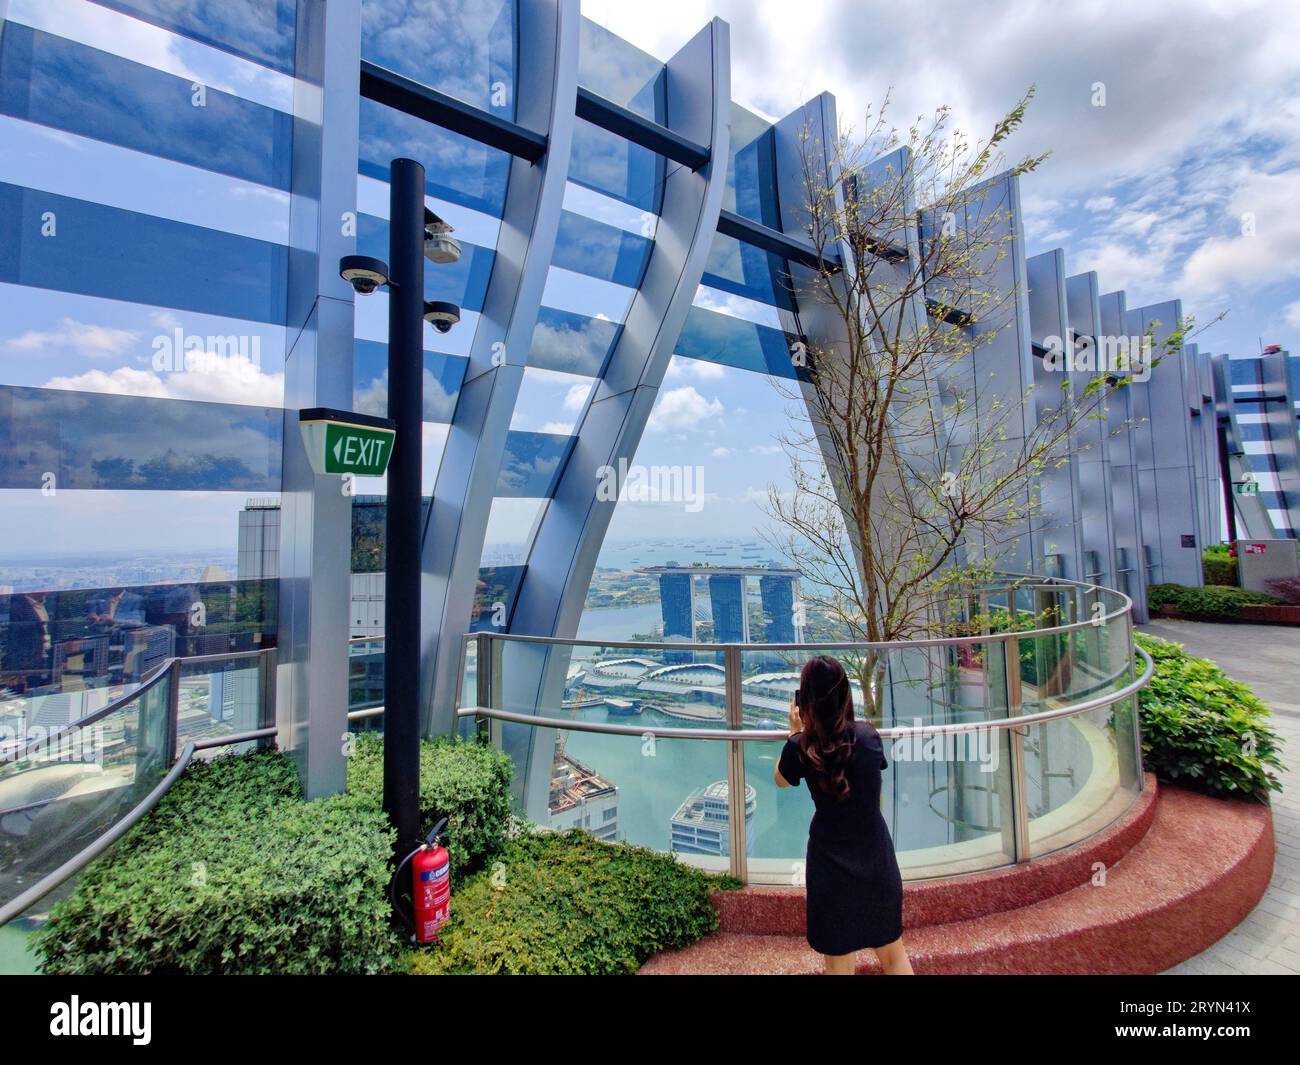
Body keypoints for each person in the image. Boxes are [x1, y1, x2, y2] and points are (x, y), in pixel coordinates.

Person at [775, 655, 913, 975]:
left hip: (830, 866)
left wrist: (794, 733)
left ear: (804, 699)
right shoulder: (867, 736)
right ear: (845, 694)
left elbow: (780, 781)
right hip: (876, 859)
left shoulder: (800, 746)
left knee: (839, 963)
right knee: (893, 954)